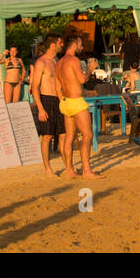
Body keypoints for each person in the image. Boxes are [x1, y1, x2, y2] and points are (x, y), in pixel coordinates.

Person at [56, 35, 99, 178]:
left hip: (65, 101)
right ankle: (86, 170)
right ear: (74, 45)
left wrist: (62, 100)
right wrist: (90, 69)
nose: (82, 47)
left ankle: (69, 169)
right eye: (80, 45)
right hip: (76, 102)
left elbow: (57, 85)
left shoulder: (59, 62)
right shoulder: (74, 60)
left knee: (69, 136)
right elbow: (82, 79)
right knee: (87, 135)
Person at [30, 35, 66, 176]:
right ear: (53, 44)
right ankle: (47, 169)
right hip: (46, 100)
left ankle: (68, 166)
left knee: (64, 134)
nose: (62, 44)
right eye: (60, 42)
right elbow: (35, 87)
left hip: (59, 100)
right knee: (47, 136)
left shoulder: (56, 60)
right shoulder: (42, 62)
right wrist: (40, 108)